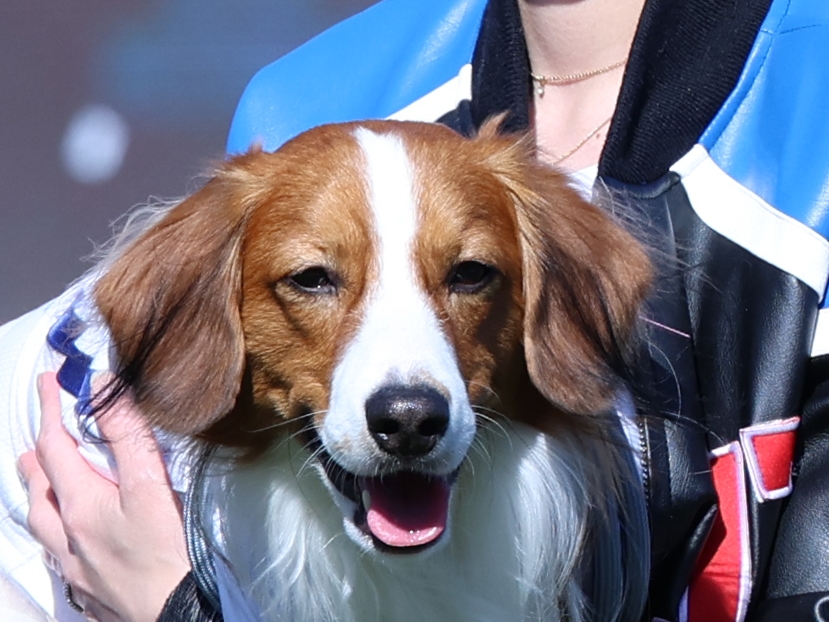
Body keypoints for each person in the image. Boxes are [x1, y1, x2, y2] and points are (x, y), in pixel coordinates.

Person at [17, 0, 829, 620]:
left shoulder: (808, 117)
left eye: (469, 274)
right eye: (314, 279)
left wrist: (183, 609)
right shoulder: (308, 94)